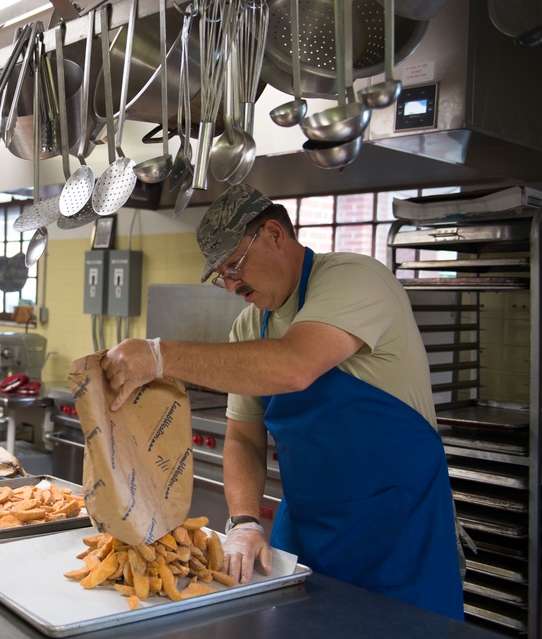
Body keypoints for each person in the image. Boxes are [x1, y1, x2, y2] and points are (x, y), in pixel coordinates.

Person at [100, 183, 464, 620]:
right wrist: (244, 521)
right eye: (221, 275)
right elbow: (243, 439)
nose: (231, 284)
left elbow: (295, 365)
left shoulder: (355, 278)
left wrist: (159, 357)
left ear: (275, 234)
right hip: (305, 529)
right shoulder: (249, 326)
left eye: (234, 266)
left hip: (396, 534)